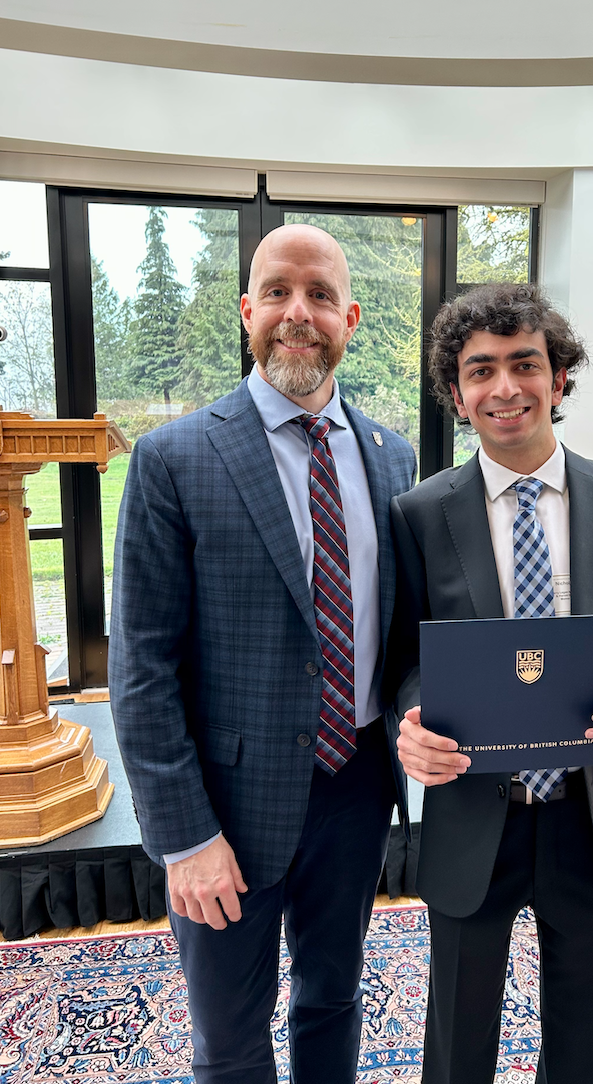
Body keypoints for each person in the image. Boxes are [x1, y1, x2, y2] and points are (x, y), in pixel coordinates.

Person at [109, 223, 416, 1084]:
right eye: (278, 291)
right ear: (247, 311)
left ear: (349, 318)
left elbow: (407, 635)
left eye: (320, 296)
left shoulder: (396, 462)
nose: (299, 313)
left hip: (355, 788)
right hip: (225, 807)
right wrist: (184, 836)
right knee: (232, 1035)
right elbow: (139, 668)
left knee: (332, 1000)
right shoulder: (174, 459)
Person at [389, 282, 593, 1084]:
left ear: (558, 379)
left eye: (526, 364)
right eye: (481, 370)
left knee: (584, 1044)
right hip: (472, 811)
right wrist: (411, 718)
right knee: (455, 1044)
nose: (505, 387)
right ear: (456, 392)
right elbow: (402, 658)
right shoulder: (417, 513)